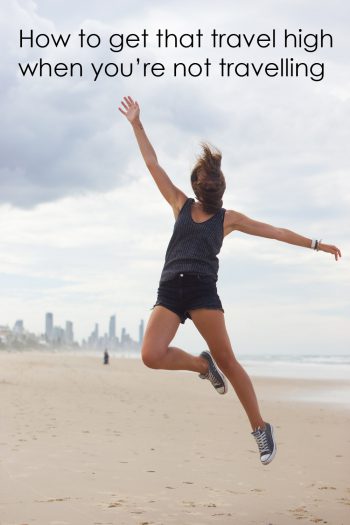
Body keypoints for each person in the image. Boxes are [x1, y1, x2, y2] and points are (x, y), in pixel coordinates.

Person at [118, 95, 341, 465]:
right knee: (150, 355)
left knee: (231, 361)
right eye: (205, 179)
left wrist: (316, 244)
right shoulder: (179, 204)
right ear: (196, 185)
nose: (209, 185)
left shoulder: (228, 218)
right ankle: (202, 367)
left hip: (203, 292)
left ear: (218, 189)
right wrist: (136, 123)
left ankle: (260, 428)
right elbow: (152, 163)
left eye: (213, 182)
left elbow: (276, 232)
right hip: (170, 289)